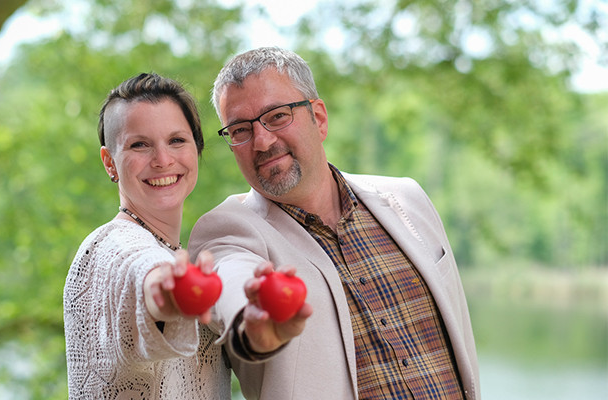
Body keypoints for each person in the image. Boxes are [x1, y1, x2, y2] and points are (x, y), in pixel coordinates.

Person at [189, 47, 481, 399]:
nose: (262, 141)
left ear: (319, 118)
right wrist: (251, 323)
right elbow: (232, 278)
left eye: (277, 116)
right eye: (240, 130)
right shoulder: (228, 230)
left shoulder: (408, 199)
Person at [63, 73, 231, 399]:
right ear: (109, 163)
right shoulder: (108, 246)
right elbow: (140, 268)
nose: (163, 160)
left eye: (177, 140)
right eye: (139, 144)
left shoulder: (178, 252)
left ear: (197, 148)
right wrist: (164, 290)